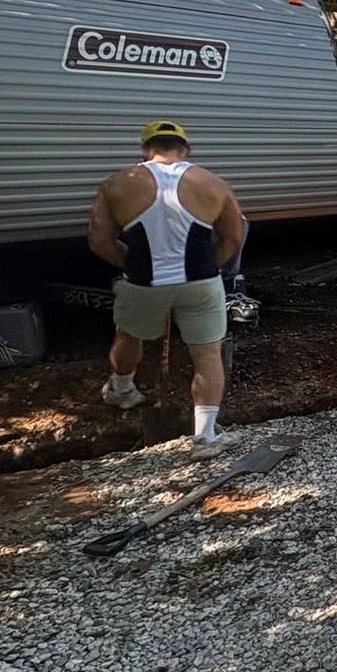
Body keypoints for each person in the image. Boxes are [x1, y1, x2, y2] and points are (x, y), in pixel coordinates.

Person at [87, 121, 247, 458]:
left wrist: (129, 265)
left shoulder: (117, 184)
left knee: (129, 336)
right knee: (206, 354)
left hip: (144, 283)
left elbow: (99, 242)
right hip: (200, 284)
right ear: (186, 149)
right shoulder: (213, 183)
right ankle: (205, 438)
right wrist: (209, 267)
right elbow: (233, 237)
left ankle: (122, 389)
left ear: (146, 149)